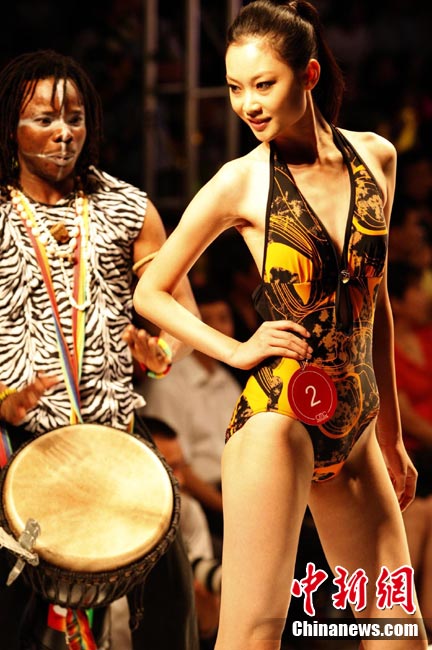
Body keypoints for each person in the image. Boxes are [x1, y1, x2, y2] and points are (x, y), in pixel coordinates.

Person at [133, 2, 428, 649]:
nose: (248, 104)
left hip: (356, 426)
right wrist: (236, 350)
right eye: (235, 87)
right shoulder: (238, 182)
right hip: (280, 418)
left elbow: (374, 302)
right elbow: (151, 292)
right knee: (254, 633)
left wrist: (392, 435)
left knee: (400, 633)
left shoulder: (376, 157)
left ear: (310, 74)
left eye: (263, 84)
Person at [0, 50, 199, 650]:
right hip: (20, 444)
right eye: (44, 119)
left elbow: (183, 315)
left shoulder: (128, 208)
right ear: (10, 126)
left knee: (171, 603)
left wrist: (162, 352)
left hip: (117, 441)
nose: (64, 133)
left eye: (76, 118)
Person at [140, 284, 243, 556]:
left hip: (237, 491)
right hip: (202, 498)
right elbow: (175, 465)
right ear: (194, 327)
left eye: (224, 318)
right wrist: (227, 508)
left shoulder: (227, 379)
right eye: (208, 321)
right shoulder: (169, 385)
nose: (219, 329)